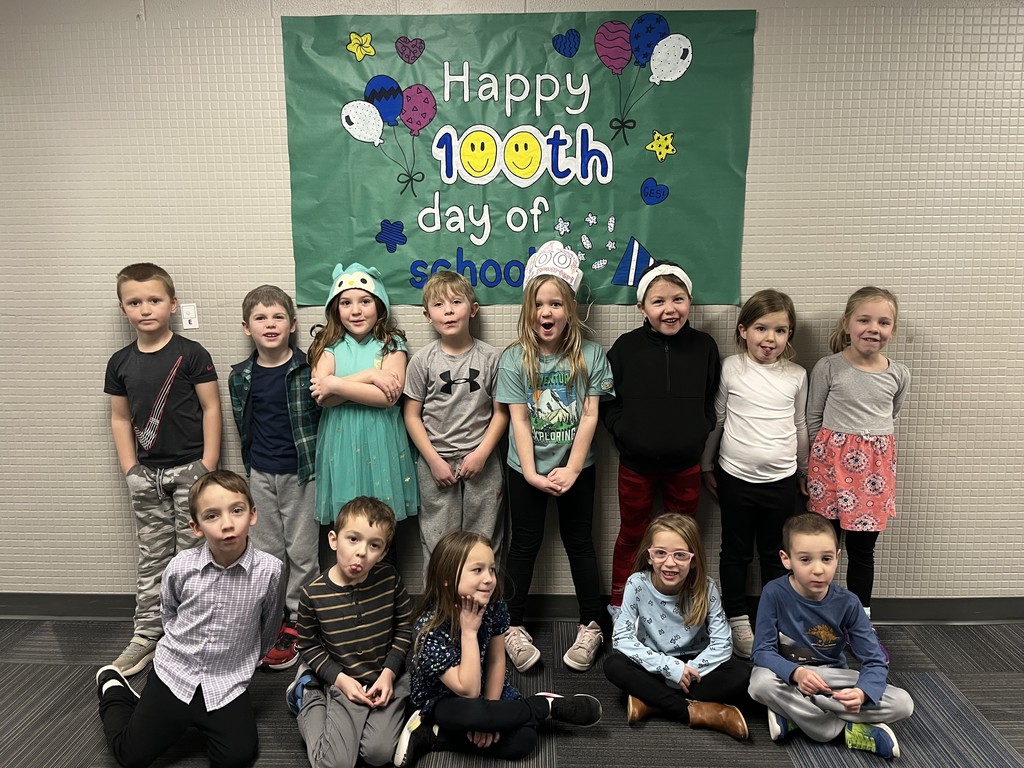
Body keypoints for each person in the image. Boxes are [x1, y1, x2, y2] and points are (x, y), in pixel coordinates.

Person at [95, 470, 283, 768]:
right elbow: (169, 614)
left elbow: (270, 624)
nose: (227, 524)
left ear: (253, 514)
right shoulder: (181, 567)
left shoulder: (270, 571)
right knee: (131, 756)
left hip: (226, 683)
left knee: (237, 757)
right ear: (196, 527)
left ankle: (172, 714)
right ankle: (114, 688)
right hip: (174, 675)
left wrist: (246, 661)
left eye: (237, 510)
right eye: (212, 516)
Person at [495, 241, 615, 673]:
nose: (547, 313)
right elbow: (519, 421)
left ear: (571, 308)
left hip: (577, 468)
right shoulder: (513, 359)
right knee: (523, 545)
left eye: (556, 303)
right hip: (523, 468)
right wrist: (529, 471)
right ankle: (511, 625)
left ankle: (592, 624)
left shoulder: (591, 355)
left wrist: (571, 467)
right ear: (528, 309)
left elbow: (589, 416)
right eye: (539, 304)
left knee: (580, 543)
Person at [394, 531, 602, 767]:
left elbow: (495, 661)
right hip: (443, 702)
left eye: (491, 569)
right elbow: (468, 691)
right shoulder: (429, 629)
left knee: (524, 741)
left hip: (482, 694)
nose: (489, 578)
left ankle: (434, 736)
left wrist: (491, 713)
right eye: (477, 570)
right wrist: (470, 632)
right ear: (446, 577)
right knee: (474, 714)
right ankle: (543, 705)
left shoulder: (494, 606)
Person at [104, 262, 221, 675]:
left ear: (172, 304)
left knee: (194, 558)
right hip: (147, 476)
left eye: (154, 300)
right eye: (135, 302)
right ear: (124, 310)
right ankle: (147, 635)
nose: (145, 309)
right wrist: (130, 468)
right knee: (152, 559)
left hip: (191, 471)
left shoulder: (191, 354)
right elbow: (119, 419)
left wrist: (207, 465)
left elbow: (211, 407)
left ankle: (190, 632)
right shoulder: (120, 363)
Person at [601, 260, 720, 618]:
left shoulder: (704, 347)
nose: (670, 309)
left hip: (685, 465)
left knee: (682, 541)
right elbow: (607, 401)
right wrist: (625, 432)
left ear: (689, 302)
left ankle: (682, 606)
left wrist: (700, 428)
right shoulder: (625, 348)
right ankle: (621, 606)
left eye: (678, 299)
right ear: (642, 307)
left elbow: (710, 398)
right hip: (636, 465)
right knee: (633, 536)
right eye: (658, 301)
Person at [748, 513, 914, 760]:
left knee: (903, 703)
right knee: (759, 683)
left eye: (826, 559)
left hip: (833, 679)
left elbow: (875, 661)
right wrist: (797, 673)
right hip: (788, 676)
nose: (818, 569)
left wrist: (862, 694)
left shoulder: (848, 602)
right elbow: (761, 652)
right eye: (805, 560)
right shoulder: (774, 593)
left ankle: (794, 714)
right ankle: (841, 731)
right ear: (787, 560)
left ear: (837, 557)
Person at [700, 289, 808, 658]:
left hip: (781, 480)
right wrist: (705, 464)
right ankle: (737, 618)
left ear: (789, 335)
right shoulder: (731, 367)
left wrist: (804, 471)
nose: (770, 338)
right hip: (734, 477)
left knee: (774, 553)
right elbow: (718, 419)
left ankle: (773, 618)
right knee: (735, 551)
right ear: (743, 330)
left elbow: (800, 425)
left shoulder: (796, 375)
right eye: (762, 328)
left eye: (780, 331)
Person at [805, 287, 910, 659]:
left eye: (883, 322)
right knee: (825, 548)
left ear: (892, 330)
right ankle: (820, 615)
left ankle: (860, 620)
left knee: (863, 553)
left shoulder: (899, 374)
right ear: (847, 323)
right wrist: (814, 464)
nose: (873, 328)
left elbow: (890, 416)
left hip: (873, 477)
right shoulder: (829, 367)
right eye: (864, 320)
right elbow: (813, 419)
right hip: (829, 472)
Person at [229, 285, 321, 670]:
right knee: (267, 553)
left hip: (303, 473)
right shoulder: (241, 376)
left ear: (293, 324)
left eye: (278, 316)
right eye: (261, 318)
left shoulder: (308, 368)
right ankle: (272, 620)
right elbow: (242, 426)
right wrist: (251, 471)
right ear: (247, 327)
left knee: (302, 552)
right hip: (261, 474)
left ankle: (301, 622)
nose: (270, 324)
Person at [287, 496, 412, 768]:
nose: (361, 552)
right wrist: (339, 679)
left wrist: (389, 673)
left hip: (384, 679)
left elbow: (405, 628)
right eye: (353, 539)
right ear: (334, 539)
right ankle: (308, 692)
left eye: (374, 545)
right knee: (336, 763)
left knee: (377, 755)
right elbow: (308, 646)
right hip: (344, 681)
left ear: (383, 551)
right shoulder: (313, 593)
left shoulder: (390, 579)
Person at [308, 263, 418, 568]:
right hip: (341, 448)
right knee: (348, 528)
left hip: (382, 445)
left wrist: (337, 383)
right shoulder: (327, 346)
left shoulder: (392, 345)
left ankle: (386, 602)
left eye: (365, 301)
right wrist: (370, 375)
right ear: (335, 308)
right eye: (346, 303)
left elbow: (387, 398)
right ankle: (346, 600)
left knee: (381, 526)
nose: (356, 311)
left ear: (379, 305)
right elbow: (323, 398)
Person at [603, 513, 750, 740]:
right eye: (660, 553)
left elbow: (723, 644)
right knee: (614, 665)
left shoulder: (707, 588)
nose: (670, 563)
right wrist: (669, 668)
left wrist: (687, 672)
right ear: (649, 556)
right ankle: (694, 711)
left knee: (742, 674)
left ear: (693, 560)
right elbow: (621, 638)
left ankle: (652, 703)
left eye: (680, 555)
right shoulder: (637, 583)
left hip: (694, 669)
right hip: (654, 664)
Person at [403, 271, 509, 567]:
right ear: (427, 315)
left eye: (456, 302)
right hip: (435, 462)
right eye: (438, 305)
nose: (448, 310)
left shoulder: (491, 358)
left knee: (485, 540)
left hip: (482, 461)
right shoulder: (422, 361)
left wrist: (482, 454)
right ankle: (438, 611)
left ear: (472, 310)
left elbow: (501, 413)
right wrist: (434, 461)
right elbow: (411, 415)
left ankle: (485, 610)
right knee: (439, 542)